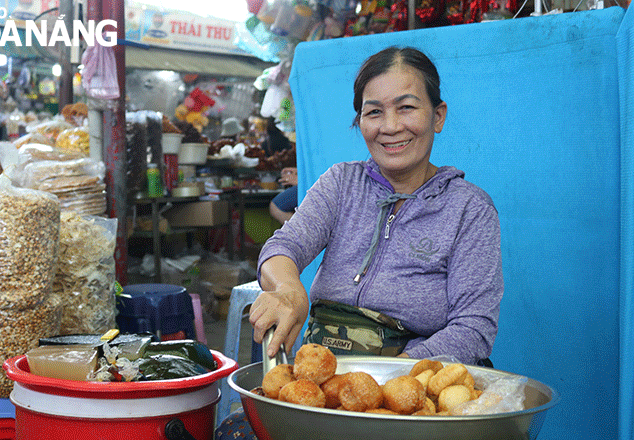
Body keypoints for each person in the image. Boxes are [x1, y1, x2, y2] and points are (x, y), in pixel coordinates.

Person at [215, 46, 503, 439]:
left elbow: (474, 328)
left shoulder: (469, 209)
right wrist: (287, 290)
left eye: (406, 107)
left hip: (409, 395)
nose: (390, 126)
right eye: (373, 112)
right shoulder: (340, 183)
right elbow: (283, 246)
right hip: (327, 384)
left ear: (438, 116)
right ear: (360, 121)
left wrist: (391, 381)